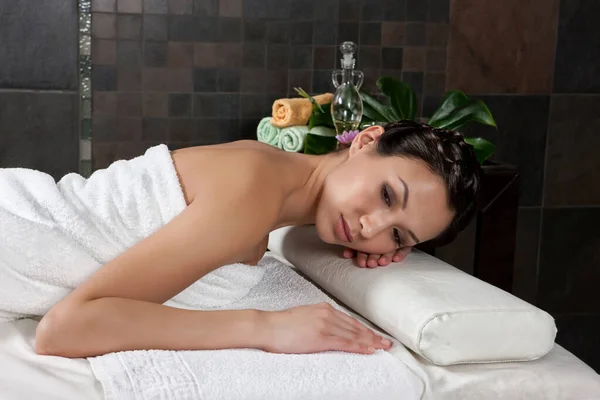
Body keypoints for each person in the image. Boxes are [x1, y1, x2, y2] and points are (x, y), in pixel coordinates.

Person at [31, 120, 481, 359]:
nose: (372, 227)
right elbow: (64, 329)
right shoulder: (254, 191)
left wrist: (358, 249)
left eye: (398, 234)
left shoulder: (275, 185)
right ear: (365, 140)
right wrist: (267, 326)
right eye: (386, 194)